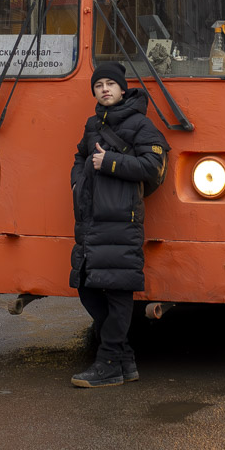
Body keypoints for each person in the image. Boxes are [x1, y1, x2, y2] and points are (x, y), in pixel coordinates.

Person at [68, 61, 168, 388]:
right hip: (91, 217)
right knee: (86, 286)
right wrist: (77, 183)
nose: (105, 89)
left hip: (122, 219)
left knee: (119, 290)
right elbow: (80, 157)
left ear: (123, 89)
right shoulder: (91, 124)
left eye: (111, 84)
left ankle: (109, 361)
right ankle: (124, 360)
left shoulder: (141, 124)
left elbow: (153, 165)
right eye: (99, 86)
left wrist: (109, 161)